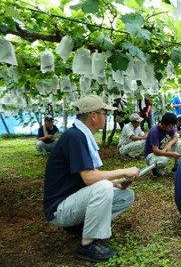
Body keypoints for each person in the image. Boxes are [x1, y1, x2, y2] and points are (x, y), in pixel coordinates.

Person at [43, 94, 140, 263]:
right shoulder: (75, 137)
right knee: (103, 187)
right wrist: (123, 171)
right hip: (59, 209)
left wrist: (115, 183)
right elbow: (89, 178)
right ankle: (87, 246)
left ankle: (80, 227)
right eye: (104, 113)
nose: (106, 117)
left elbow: (87, 174)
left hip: (72, 200)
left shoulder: (80, 135)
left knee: (126, 195)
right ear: (94, 115)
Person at [144, 112, 181, 177]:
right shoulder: (154, 132)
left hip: (162, 149)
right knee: (163, 160)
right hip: (151, 155)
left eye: (173, 126)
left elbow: (175, 137)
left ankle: (176, 168)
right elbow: (156, 151)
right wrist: (171, 154)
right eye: (171, 127)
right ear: (163, 124)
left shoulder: (169, 127)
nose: (172, 128)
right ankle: (155, 169)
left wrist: (169, 144)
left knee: (180, 144)